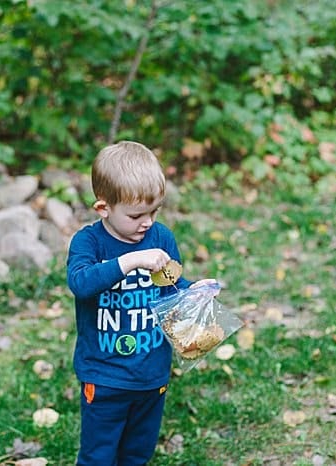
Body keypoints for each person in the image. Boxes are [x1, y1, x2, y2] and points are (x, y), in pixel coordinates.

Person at [67, 140, 216, 465]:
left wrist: (194, 291)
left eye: (154, 211)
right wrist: (131, 261)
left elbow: (170, 288)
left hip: (151, 373)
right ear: (104, 208)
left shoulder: (160, 238)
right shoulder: (89, 242)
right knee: (98, 455)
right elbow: (80, 283)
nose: (147, 222)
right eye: (136, 215)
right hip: (104, 375)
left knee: (137, 452)